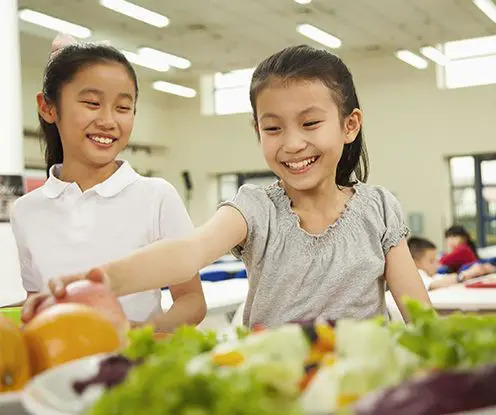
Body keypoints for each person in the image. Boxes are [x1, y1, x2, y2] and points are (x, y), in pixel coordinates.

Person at [23, 45, 431, 328]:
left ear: (349, 125)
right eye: (272, 128)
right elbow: (189, 252)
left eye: (310, 123)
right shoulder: (254, 207)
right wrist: (100, 280)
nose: (292, 143)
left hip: (365, 389)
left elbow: (417, 312)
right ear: (258, 131)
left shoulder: (378, 207)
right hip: (274, 388)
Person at [11, 35, 205, 332]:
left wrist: (142, 335)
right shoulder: (26, 211)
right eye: (92, 103)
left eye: (123, 108)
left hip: (135, 369)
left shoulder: (156, 196)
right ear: (48, 108)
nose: (107, 120)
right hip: (59, 369)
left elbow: (191, 299)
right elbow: (37, 302)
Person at [408, 237, 495, 290]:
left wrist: (474, 273)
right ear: (415, 263)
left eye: (436, 259)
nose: (436, 263)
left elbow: (446, 278)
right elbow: (434, 284)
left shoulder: (431, 275)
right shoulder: (417, 275)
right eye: (431, 261)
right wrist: (466, 274)